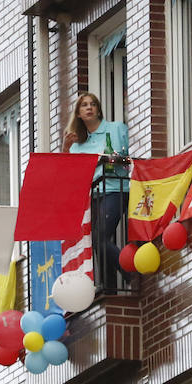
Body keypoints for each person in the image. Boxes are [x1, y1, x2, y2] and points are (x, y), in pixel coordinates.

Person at [61, 92, 129, 283]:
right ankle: (111, 289)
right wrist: (65, 148)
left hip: (115, 189)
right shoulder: (76, 144)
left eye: (92, 104)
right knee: (97, 243)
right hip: (92, 197)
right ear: (79, 114)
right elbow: (68, 176)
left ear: (98, 110)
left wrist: (109, 159)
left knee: (100, 238)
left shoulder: (116, 128)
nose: (89, 107)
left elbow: (130, 158)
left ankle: (131, 274)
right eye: (84, 105)